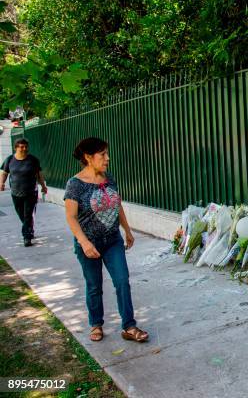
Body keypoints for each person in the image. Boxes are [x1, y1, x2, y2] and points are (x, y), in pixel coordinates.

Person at [64, 137, 148, 343]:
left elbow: (117, 205)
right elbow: (71, 217)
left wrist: (127, 230)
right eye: (102, 155)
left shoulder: (108, 179)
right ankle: (96, 324)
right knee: (94, 286)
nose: (107, 158)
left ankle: (129, 326)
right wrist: (84, 243)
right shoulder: (75, 184)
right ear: (88, 157)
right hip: (89, 243)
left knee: (122, 281)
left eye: (106, 154)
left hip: (112, 241)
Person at [0, 138, 48, 246]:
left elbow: (39, 174)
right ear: (16, 148)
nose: (24, 149)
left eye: (26, 147)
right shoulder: (9, 160)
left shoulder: (33, 160)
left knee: (27, 215)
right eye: (21, 147)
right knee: (21, 214)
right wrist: (1, 183)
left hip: (31, 192)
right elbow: (4, 173)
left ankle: (27, 237)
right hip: (15, 192)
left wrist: (43, 186)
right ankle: (29, 228)